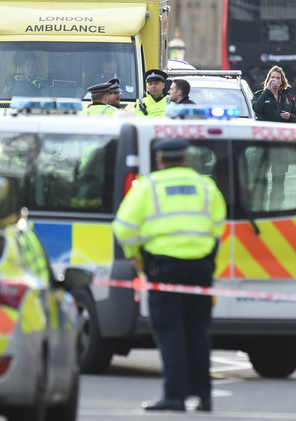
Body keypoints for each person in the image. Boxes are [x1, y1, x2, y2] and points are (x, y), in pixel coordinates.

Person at [112, 138, 226, 412]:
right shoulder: (205, 186)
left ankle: (174, 396)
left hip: (164, 269)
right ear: (185, 159)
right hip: (200, 268)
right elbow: (219, 224)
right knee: (198, 330)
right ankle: (203, 396)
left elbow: (124, 228)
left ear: (161, 160)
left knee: (170, 331)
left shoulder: (149, 187)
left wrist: (136, 258)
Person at [252, 66, 296, 209]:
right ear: (268, 80)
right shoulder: (260, 94)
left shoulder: (288, 97)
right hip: (263, 142)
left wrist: (289, 116)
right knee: (260, 176)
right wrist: (267, 91)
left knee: (279, 177)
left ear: (282, 81)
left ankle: (276, 205)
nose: (275, 80)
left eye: (278, 78)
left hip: (281, 144)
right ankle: (259, 205)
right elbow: (257, 109)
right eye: (272, 77)